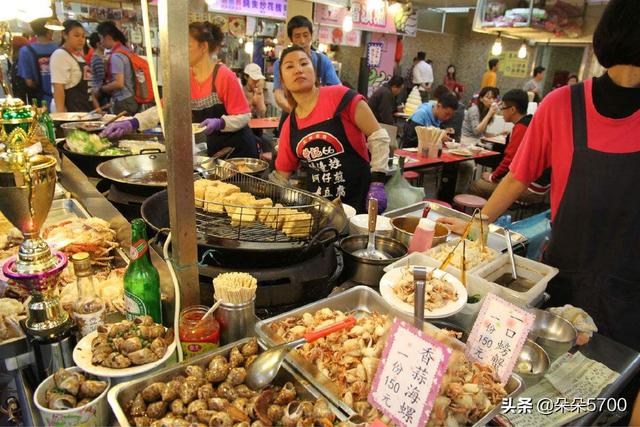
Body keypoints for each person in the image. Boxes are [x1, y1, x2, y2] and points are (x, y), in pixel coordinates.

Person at [438, 0, 640, 352]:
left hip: (632, 289)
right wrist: (479, 224)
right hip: (563, 275)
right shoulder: (562, 105)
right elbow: (518, 176)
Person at [102, 22, 257, 159]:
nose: (182, 50)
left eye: (187, 45)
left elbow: (244, 116)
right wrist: (132, 123)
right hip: (213, 152)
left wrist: (220, 123)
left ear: (203, 47)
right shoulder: (184, 78)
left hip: (239, 152)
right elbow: (163, 109)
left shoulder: (224, 75)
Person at [273, 46, 389, 213]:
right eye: (289, 66)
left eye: (304, 63)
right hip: (321, 212)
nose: (298, 70)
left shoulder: (342, 97)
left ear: (314, 71)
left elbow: (378, 137)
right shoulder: (290, 127)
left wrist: (377, 181)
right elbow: (282, 175)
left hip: (361, 204)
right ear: (282, 81)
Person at [469, 89, 550, 203]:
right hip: (540, 184)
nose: (501, 111)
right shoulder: (530, 122)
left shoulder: (521, 128)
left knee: (477, 185)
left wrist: (493, 177)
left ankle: (483, 217)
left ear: (512, 110)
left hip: (531, 187)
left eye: (503, 107)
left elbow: (510, 160)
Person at [272, 16, 340, 114]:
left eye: (305, 35)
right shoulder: (280, 63)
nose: (302, 41)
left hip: (320, 113)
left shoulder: (322, 60)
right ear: (291, 39)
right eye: (297, 36)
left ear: (311, 35)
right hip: (292, 113)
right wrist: (298, 113)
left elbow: (337, 89)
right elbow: (279, 95)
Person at [50, 20, 93, 112]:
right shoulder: (60, 55)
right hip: (70, 113)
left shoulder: (80, 57)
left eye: (83, 36)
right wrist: (61, 116)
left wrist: (97, 108)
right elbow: (58, 87)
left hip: (84, 109)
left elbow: (88, 89)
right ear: (65, 35)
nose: (81, 39)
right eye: (76, 35)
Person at [96, 21, 139, 115]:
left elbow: (119, 83)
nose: (101, 42)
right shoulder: (126, 50)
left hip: (123, 101)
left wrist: (102, 89)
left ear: (107, 37)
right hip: (132, 98)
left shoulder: (117, 56)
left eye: (101, 38)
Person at [16, 18, 57, 105]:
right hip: (62, 99)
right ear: (49, 31)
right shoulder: (59, 49)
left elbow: (29, 82)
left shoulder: (26, 51)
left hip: (41, 102)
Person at [88, 32, 109, 110]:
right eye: (102, 41)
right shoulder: (97, 58)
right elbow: (102, 77)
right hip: (99, 91)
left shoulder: (99, 57)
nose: (104, 43)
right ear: (97, 44)